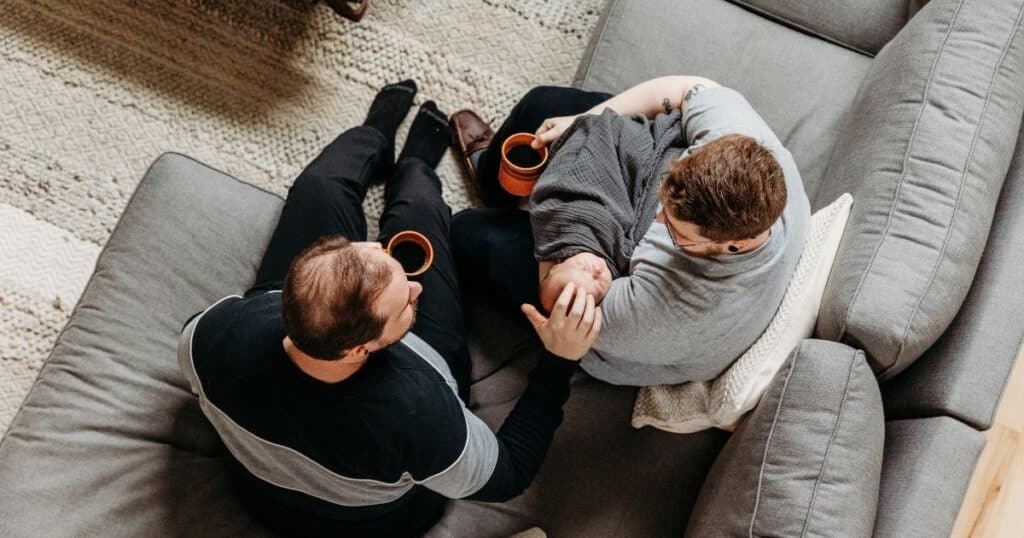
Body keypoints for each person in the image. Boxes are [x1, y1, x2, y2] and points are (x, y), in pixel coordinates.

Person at [176, 80, 602, 538]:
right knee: (418, 214)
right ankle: (416, 166)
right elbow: (509, 472)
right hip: (373, 519)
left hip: (263, 494)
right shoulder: (420, 410)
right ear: (364, 347)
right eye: (404, 303)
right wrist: (559, 360)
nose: (416, 292)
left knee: (320, 189)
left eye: (377, 255)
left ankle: (374, 136)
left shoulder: (215, 333)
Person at [449, 76, 811, 386]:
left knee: (470, 232)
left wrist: (562, 255)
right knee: (542, 107)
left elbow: (566, 311)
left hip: (607, 326)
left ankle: (513, 188)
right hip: (645, 167)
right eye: (664, 208)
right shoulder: (741, 144)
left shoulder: (671, 309)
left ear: (735, 245)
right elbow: (687, 89)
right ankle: (492, 181)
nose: (658, 221)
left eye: (675, 231)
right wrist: (580, 122)